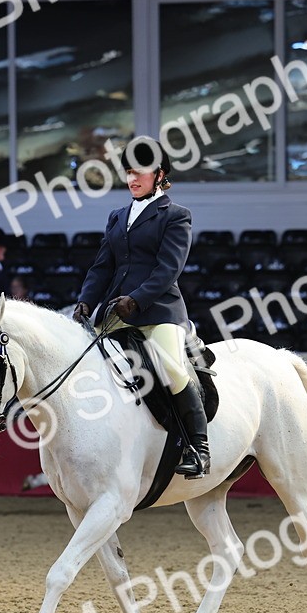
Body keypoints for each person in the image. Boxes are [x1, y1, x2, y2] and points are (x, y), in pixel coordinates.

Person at [72, 136, 209, 479]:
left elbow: (168, 269)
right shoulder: (117, 216)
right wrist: (87, 300)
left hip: (158, 311)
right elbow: (102, 266)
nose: (132, 180)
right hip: (116, 313)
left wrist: (138, 299)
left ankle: (199, 448)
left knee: (173, 369)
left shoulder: (176, 216)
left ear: (159, 174)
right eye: (128, 173)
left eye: (140, 173)